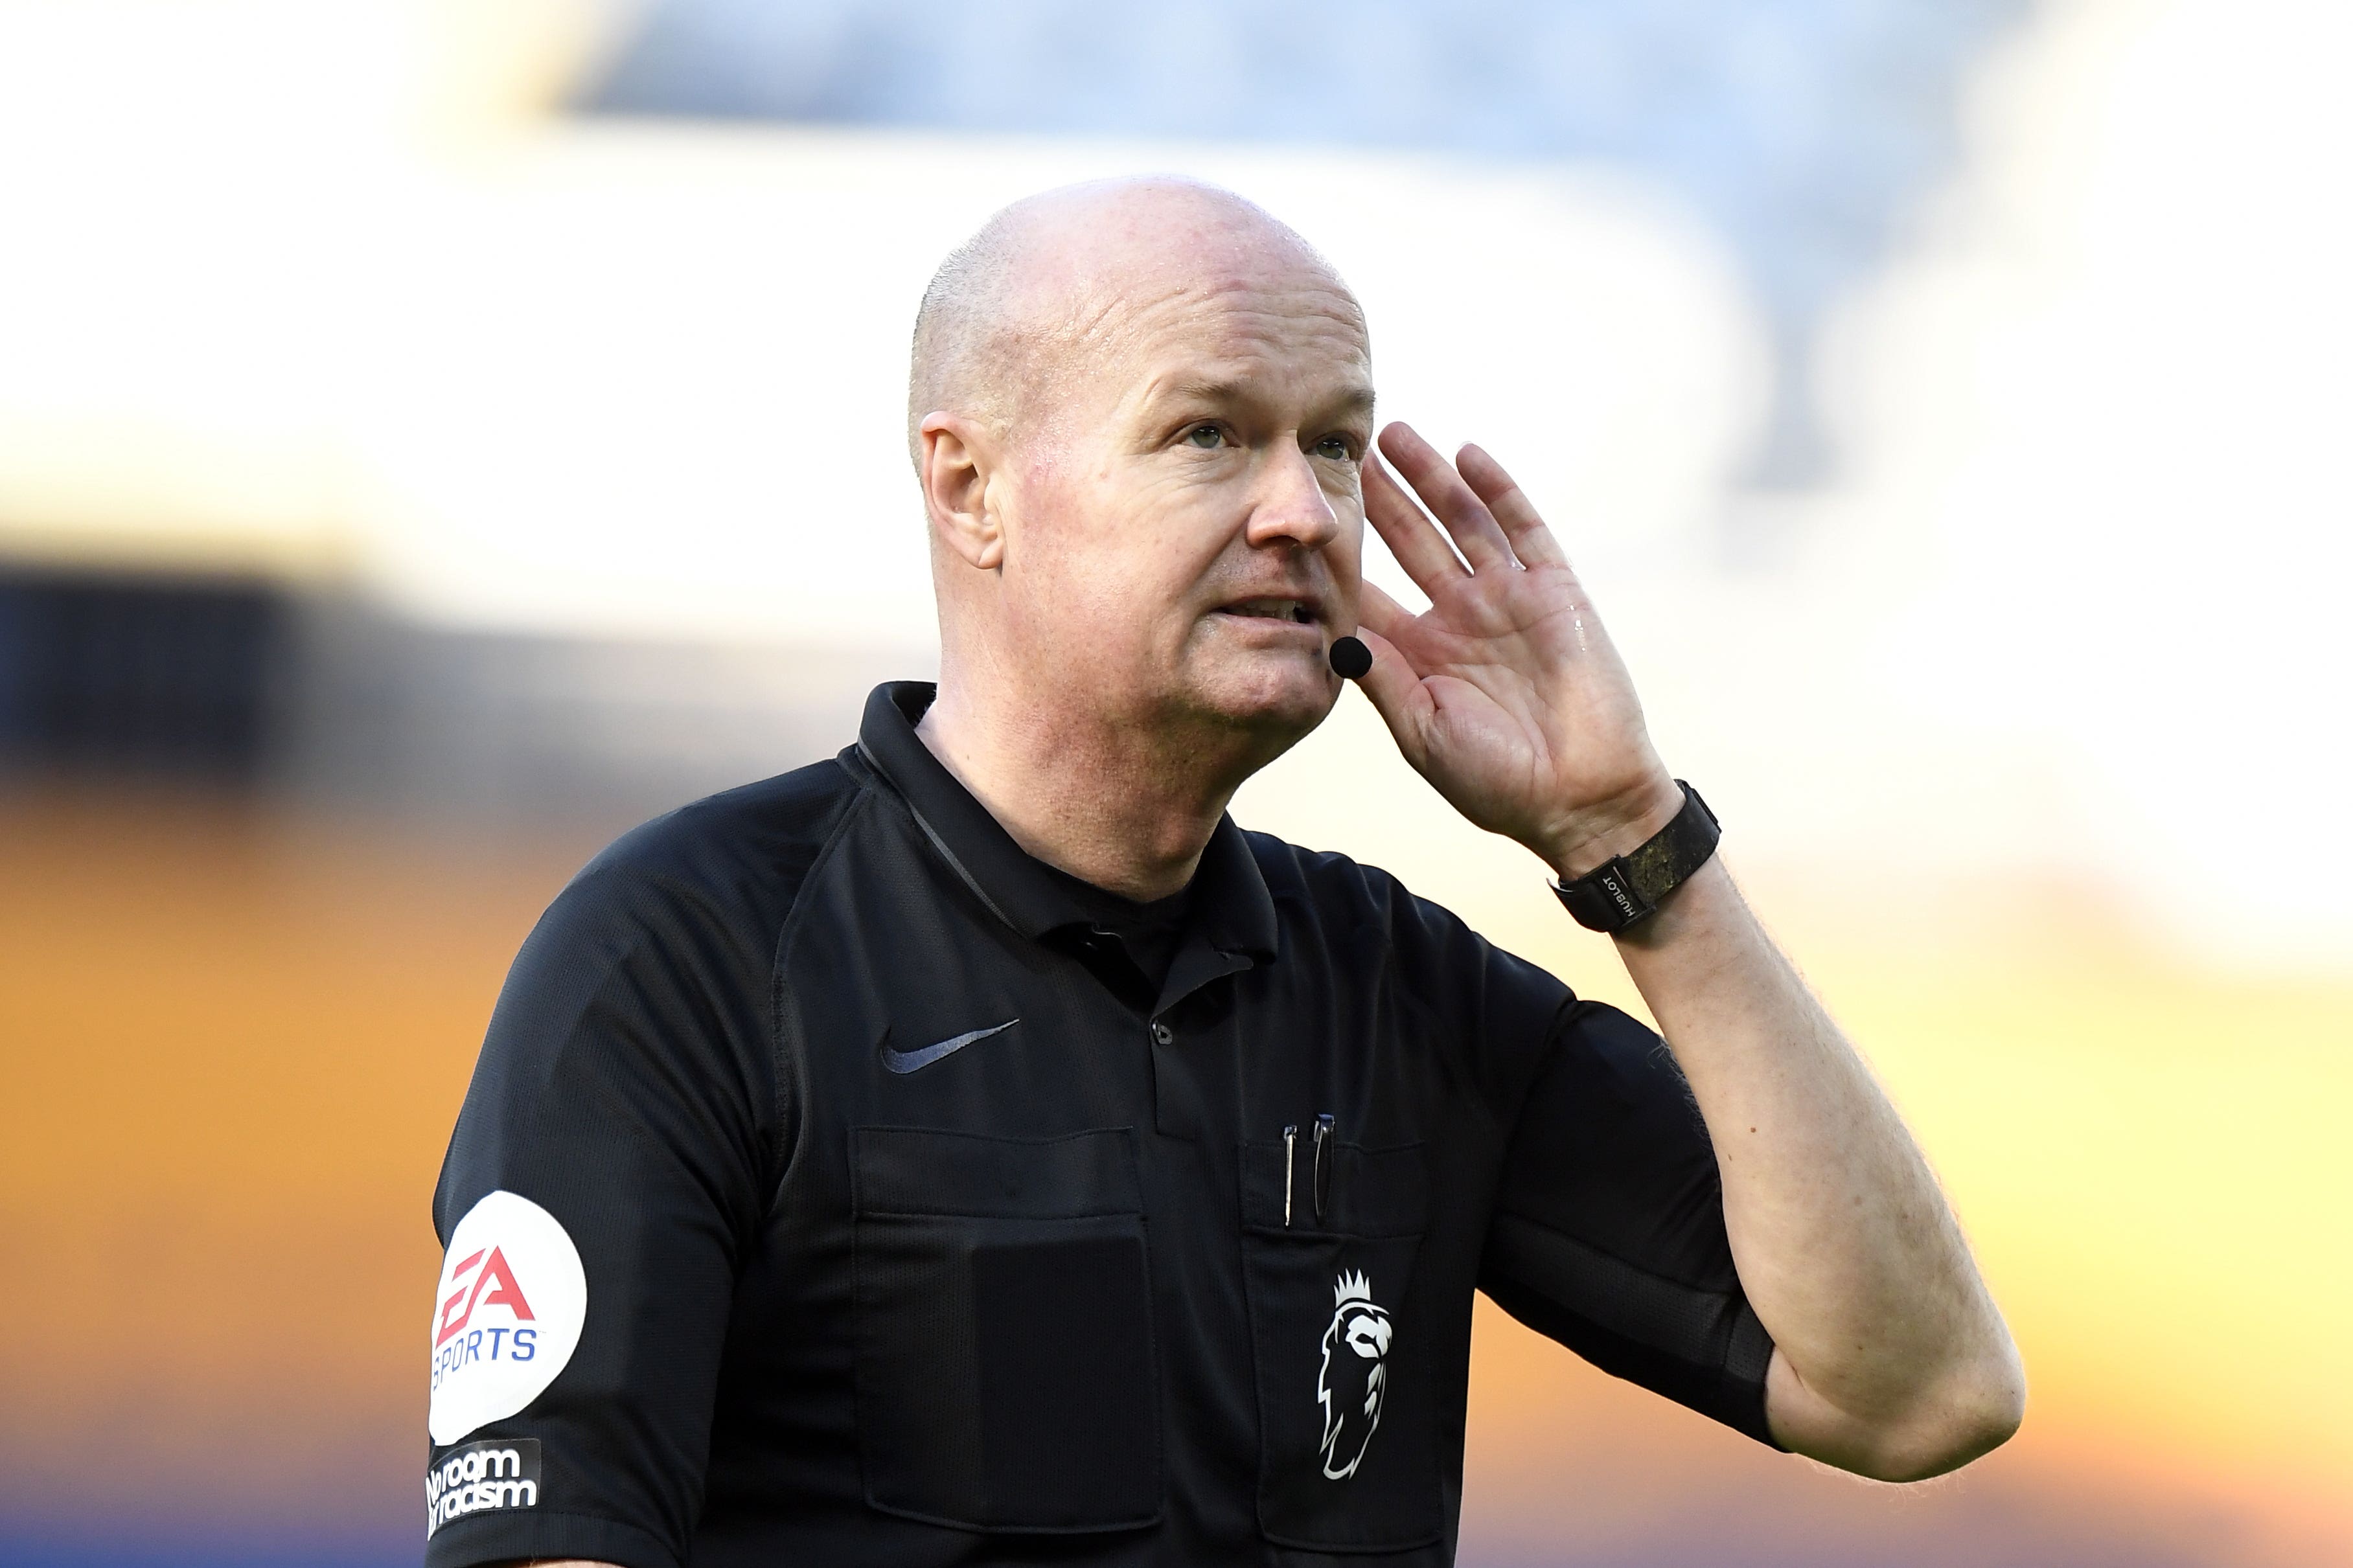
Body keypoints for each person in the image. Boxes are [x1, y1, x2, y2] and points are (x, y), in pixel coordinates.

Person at [422, 177, 2023, 1568]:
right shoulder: (684, 955)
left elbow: (1916, 1387)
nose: (1301, 511)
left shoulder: (1399, 991)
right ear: (971, 487)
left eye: (1333, 446)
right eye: (1209, 434)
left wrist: (1629, 841)